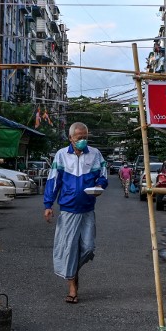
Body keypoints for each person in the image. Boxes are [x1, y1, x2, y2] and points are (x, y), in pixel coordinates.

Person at [43, 122, 107, 304]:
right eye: (79, 137)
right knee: (69, 248)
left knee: (88, 248)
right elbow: (53, 180)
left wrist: (100, 185)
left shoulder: (94, 153)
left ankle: (70, 269)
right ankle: (72, 288)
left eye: (85, 137)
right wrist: (48, 204)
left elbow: (102, 172)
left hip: (88, 208)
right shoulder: (61, 155)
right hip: (69, 209)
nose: (83, 140)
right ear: (70, 138)